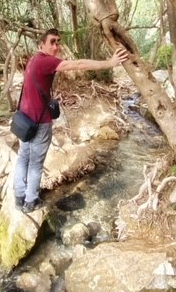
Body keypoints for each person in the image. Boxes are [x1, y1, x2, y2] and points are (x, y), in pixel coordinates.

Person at [14, 28, 129, 213]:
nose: (56, 46)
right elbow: (78, 64)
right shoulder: (46, 61)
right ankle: (31, 201)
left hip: (25, 120)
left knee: (23, 158)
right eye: (52, 42)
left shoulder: (34, 59)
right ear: (41, 44)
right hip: (39, 122)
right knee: (34, 162)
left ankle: (19, 197)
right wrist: (110, 62)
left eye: (58, 41)